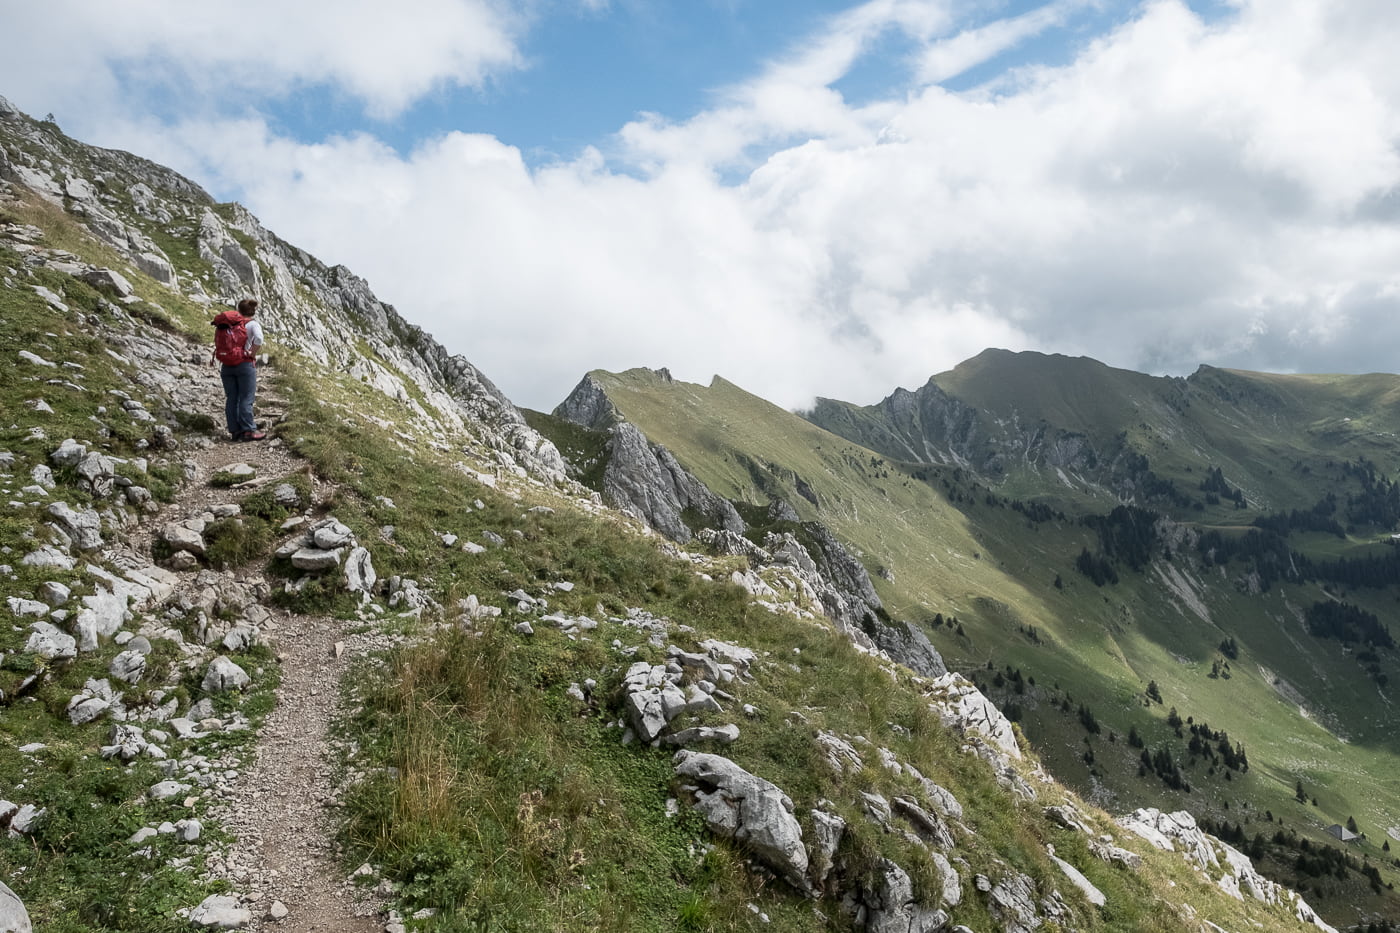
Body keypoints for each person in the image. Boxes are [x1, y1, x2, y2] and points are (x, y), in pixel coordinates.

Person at [214, 298, 266, 441]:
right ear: (253, 311)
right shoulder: (252, 324)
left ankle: (235, 431)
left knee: (232, 398)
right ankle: (249, 430)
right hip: (244, 364)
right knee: (246, 398)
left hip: (227, 365)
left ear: (239, 310)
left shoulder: (230, 324)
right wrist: (252, 353)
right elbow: (259, 339)